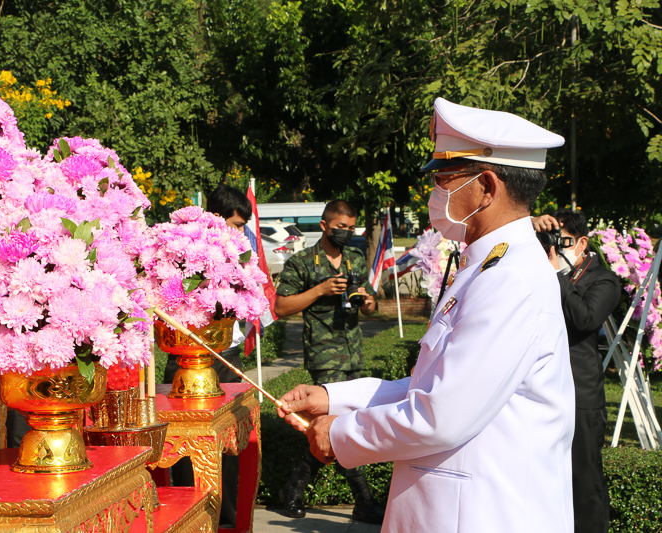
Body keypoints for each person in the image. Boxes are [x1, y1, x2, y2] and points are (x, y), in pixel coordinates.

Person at [277, 98, 576, 533]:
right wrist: (332, 397)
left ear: (487, 187)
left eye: (444, 179)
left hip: (486, 515)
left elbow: (440, 414)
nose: (434, 193)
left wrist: (340, 433)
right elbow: (434, 385)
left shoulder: (511, 278)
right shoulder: (488, 266)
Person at [273, 199, 385, 524]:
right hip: (324, 353)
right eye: (341, 227)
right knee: (342, 426)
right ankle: (364, 501)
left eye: (351, 228)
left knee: (342, 424)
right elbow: (281, 307)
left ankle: (294, 486)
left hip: (353, 353)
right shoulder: (302, 262)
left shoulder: (354, 259)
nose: (346, 233)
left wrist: (367, 303)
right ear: (324, 226)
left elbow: (370, 308)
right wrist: (320, 290)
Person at [162, 184, 256, 529]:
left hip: (227, 358)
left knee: (227, 445)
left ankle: (227, 520)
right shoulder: (186, 253)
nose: (239, 232)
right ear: (215, 219)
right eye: (234, 224)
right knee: (186, 446)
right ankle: (190, 519)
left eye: (243, 225)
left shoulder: (241, 254)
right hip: (186, 358)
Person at [533, 209, 620, 533]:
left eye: (563, 241)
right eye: (551, 240)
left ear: (582, 243)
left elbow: (584, 319)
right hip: (542, 391)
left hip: (580, 396)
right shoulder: (540, 272)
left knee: (585, 483)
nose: (555, 247)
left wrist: (556, 275)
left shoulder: (604, 280)